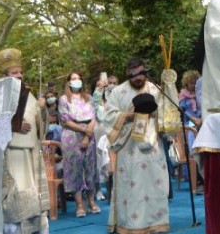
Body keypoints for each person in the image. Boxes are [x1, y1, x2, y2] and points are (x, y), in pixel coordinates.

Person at [100, 57, 170, 233]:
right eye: (134, 75)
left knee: (155, 185)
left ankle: (156, 223)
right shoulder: (118, 92)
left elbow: (167, 113)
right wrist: (130, 116)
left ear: (145, 71)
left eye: (141, 74)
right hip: (129, 148)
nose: (138, 78)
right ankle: (131, 225)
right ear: (128, 74)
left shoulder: (155, 89)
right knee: (133, 186)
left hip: (153, 146)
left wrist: (160, 120)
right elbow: (107, 117)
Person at [0, 48, 50, 234]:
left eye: (20, 72)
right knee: (18, 198)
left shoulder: (29, 95)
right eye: (14, 73)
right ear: (5, 76)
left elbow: (40, 129)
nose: (19, 75)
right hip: (12, 155)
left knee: (34, 197)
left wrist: (42, 111)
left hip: (32, 154)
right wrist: (13, 126)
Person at [57, 71, 101, 218]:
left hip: (89, 133)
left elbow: (94, 116)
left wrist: (88, 134)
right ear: (68, 82)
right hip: (71, 135)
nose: (76, 81)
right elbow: (65, 120)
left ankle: (91, 201)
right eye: (73, 79)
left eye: (79, 79)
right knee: (74, 169)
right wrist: (84, 130)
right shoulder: (64, 99)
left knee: (90, 168)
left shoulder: (88, 98)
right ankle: (79, 205)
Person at [92, 73, 118, 201]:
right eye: (108, 83)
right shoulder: (97, 101)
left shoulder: (114, 100)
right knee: (98, 161)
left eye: (114, 83)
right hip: (99, 131)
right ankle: (97, 189)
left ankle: (112, 190)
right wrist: (99, 89)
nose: (110, 85)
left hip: (112, 133)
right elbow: (95, 101)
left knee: (110, 161)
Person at [178, 69, 205, 194]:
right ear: (186, 84)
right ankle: (197, 181)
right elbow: (183, 112)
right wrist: (194, 119)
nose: (193, 85)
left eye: (195, 82)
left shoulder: (201, 94)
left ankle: (204, 179)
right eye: (191, 83)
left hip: (201, 122)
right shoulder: (183, 95)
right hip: (190, 125)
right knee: (194, 150)